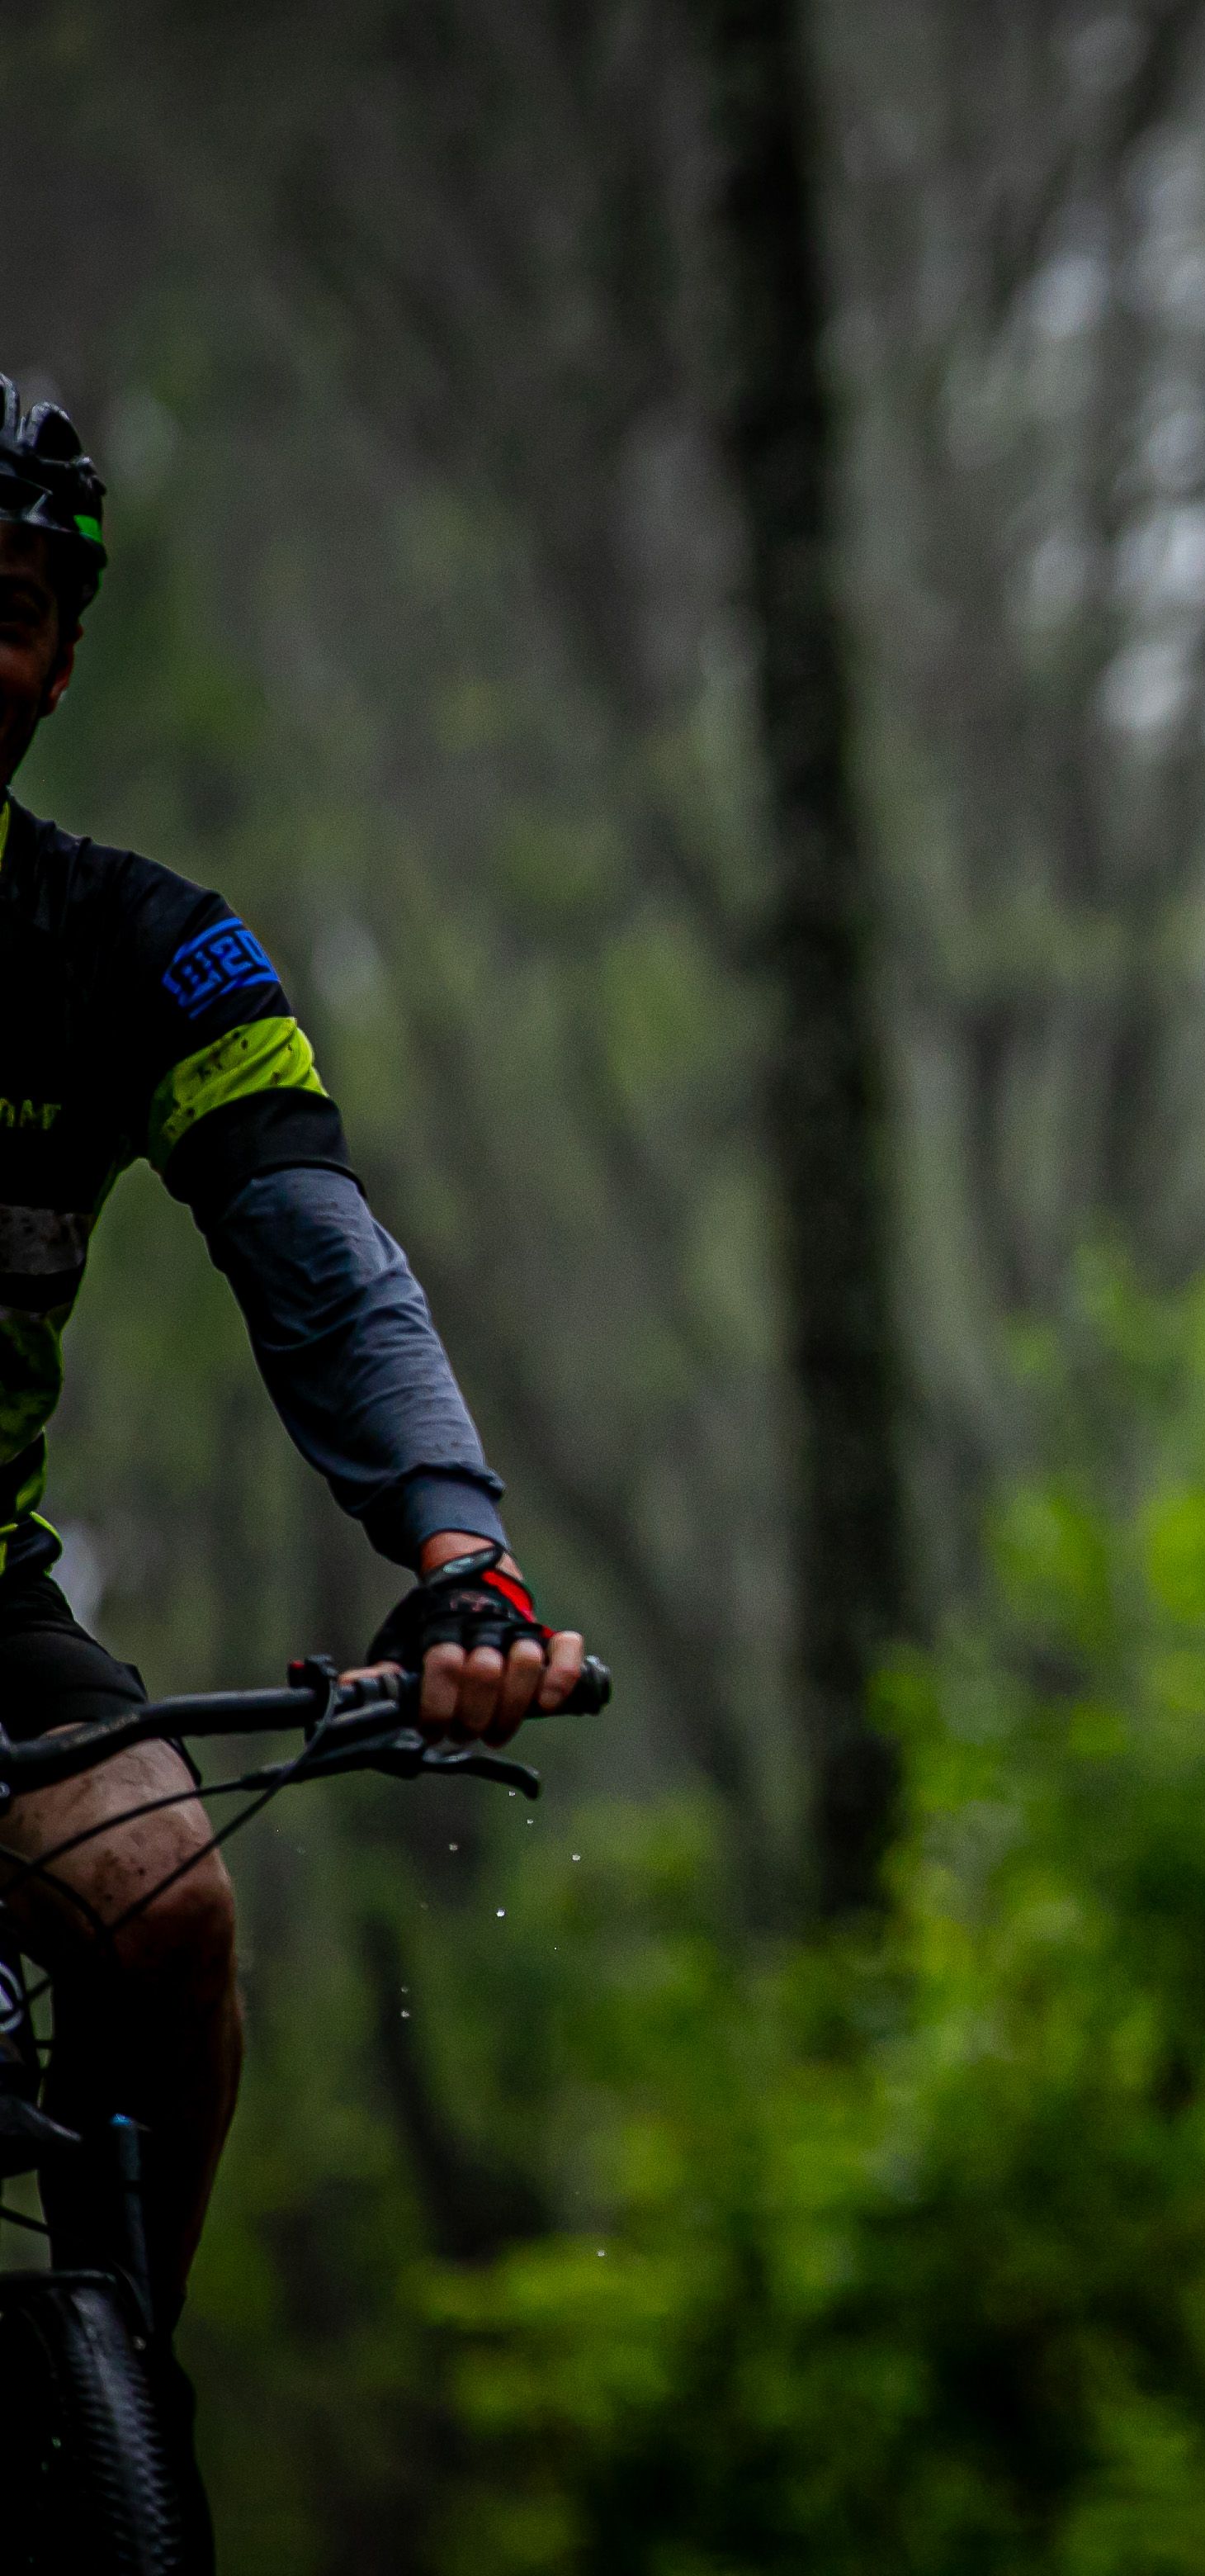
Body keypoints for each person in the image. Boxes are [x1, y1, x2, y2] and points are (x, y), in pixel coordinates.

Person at [0, 374, 590, 2466]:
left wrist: (458, 1555)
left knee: (168, 1908)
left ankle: (107, 2432)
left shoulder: (141, 950)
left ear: (63, 659)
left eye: (9, 612)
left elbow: (318, 1259)